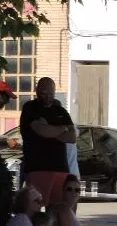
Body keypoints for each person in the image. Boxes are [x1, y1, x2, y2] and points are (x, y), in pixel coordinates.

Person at [19, 77, 76, 206]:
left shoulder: (60, 110)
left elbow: (72, 137)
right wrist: (62, 129)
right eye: (44, 92)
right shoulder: (30, 108)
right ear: (37, 91)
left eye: (51, 93)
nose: (47, 96)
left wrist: (51, 130)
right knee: (34, 207)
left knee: (57, 208)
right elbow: (42, 131)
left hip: (60, 168)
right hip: (38, 168)